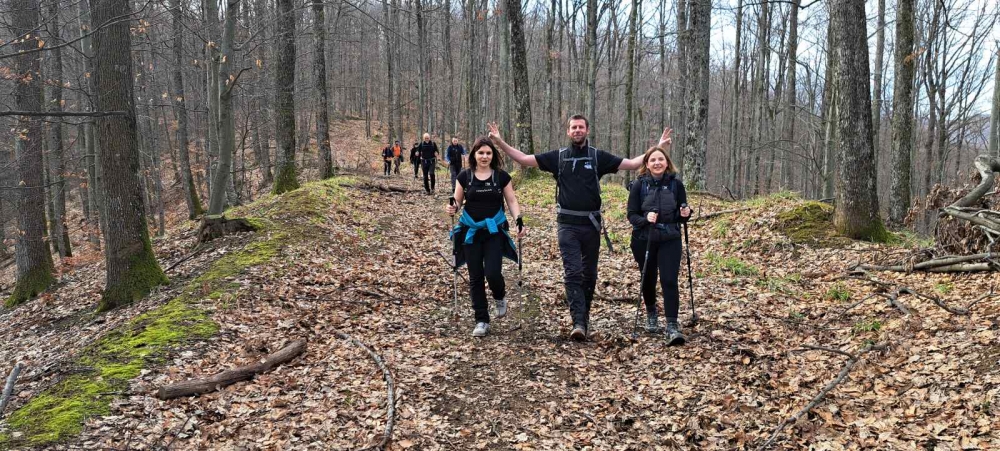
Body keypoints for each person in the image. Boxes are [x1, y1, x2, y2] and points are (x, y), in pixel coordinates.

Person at [489, 115, 673, 341]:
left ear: (587, 130)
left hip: (592, 225)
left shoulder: (597, 156)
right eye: (573, 127)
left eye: (581, 127)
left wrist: (658, 147)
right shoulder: (559, 157)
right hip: (567, 225)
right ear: (568, 131)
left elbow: (633, 164)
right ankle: (578, 321)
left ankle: (583, 318)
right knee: (573, 272)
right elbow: (525, 159)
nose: (577, 130)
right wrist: (500, 142)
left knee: (590, 275)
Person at [446, 137, 526, 337]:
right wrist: (452, 207)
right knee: (475, 277)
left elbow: (512, 201)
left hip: (493, 232)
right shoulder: (465, 177)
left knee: (492, 273)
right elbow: (457, 200)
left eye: (488, 153)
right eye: (480, 153)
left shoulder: (501, 177)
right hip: (470, 232)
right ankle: (481, 320)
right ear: (474, 154)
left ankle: (499, 296)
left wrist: (519, 220)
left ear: (493, 155)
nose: (484, 156)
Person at [627, 146, 691, 345]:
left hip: (670, 238)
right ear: (646, 164)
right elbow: (632, 216)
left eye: (660, 159)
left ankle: (672, 324)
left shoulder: (676, 185)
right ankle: (651, 313)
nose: (657, 163)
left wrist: (686, 213)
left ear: (666, 162)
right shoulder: (639, 185)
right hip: (644, 239)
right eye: (653, 160)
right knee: (648, 277)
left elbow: (683, 211)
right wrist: (646, 218)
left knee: (669, 280)